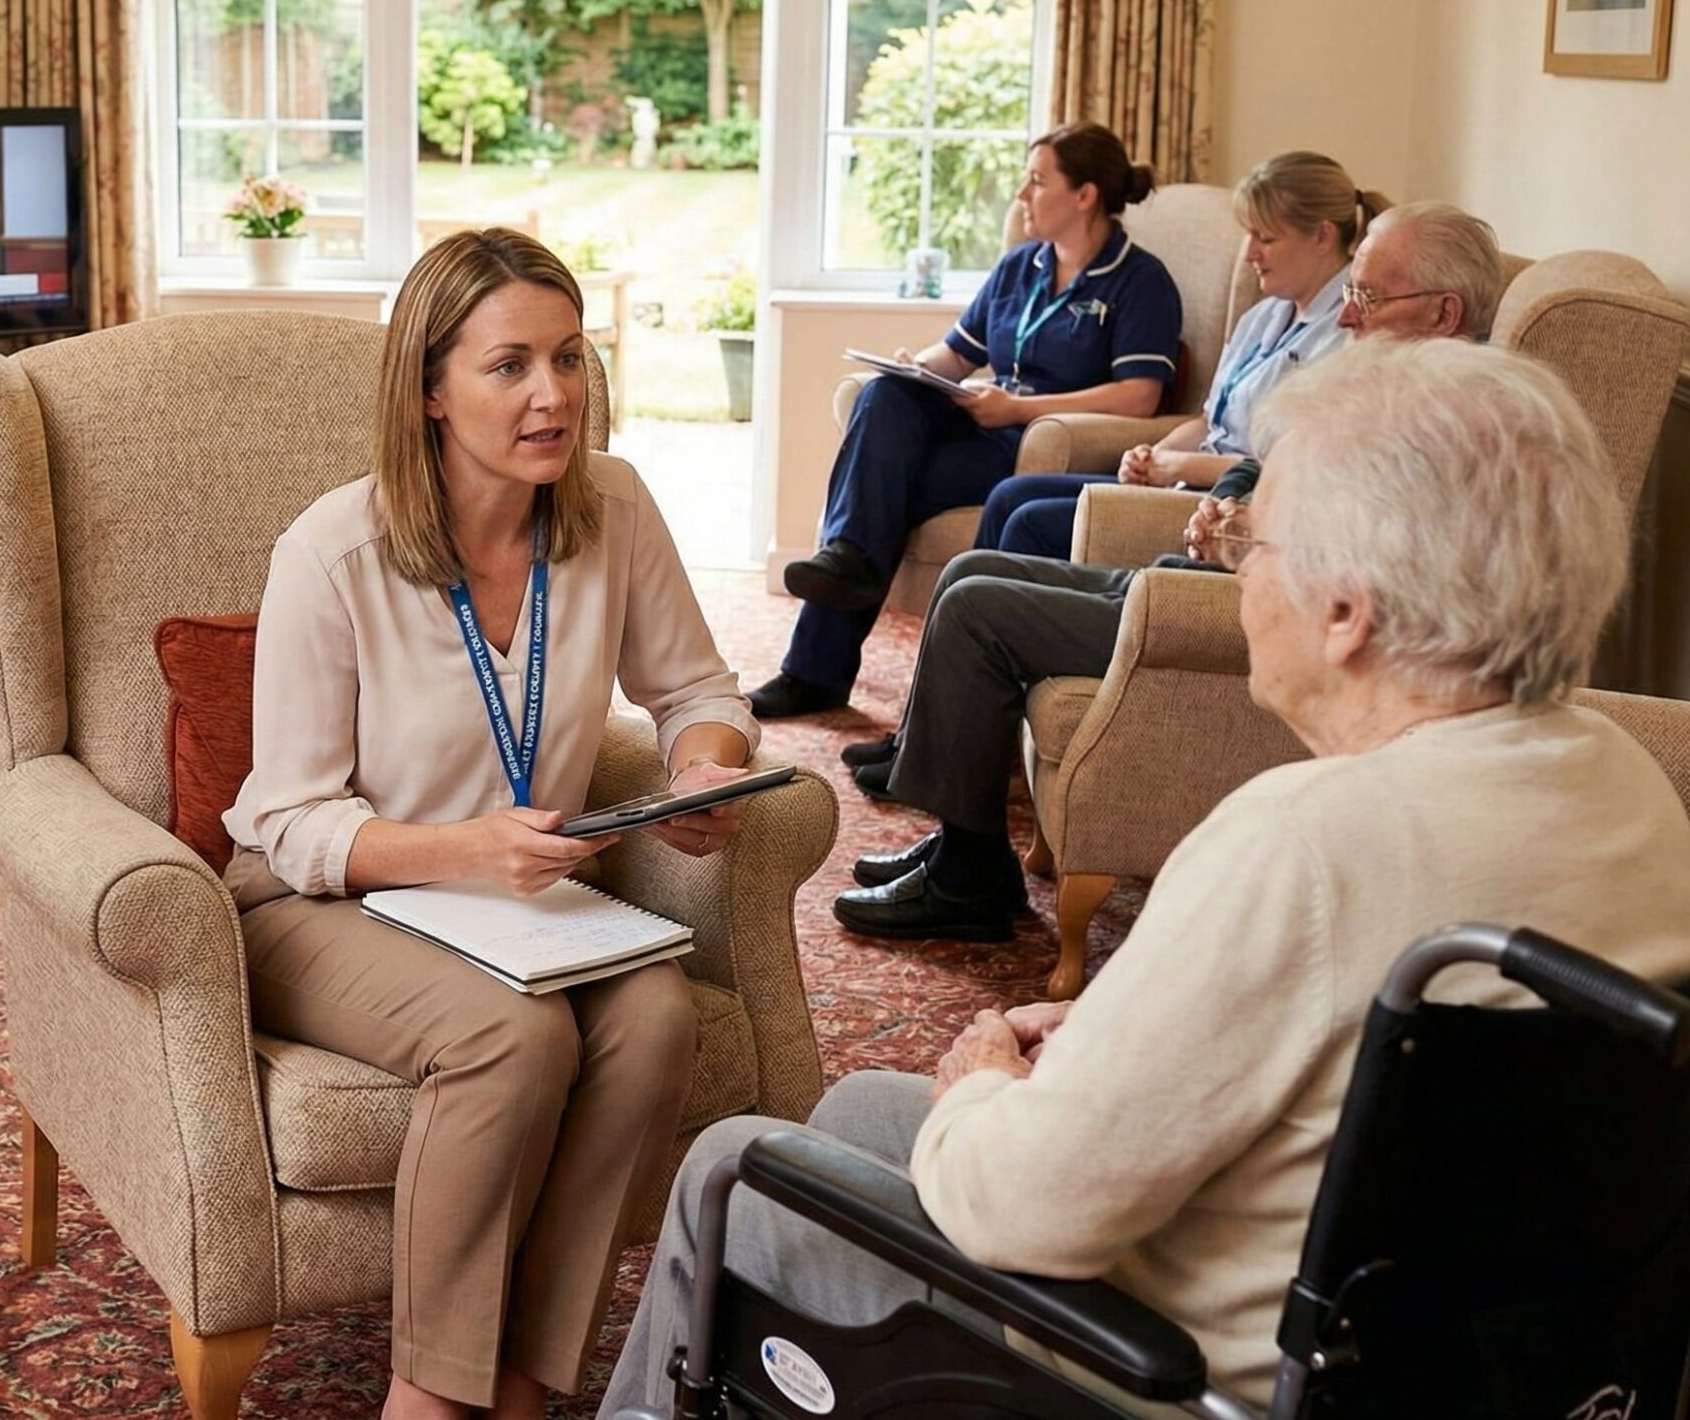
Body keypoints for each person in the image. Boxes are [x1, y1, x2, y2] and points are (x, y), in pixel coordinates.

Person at [603, 337, 1690, 1416]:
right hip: (1475, 1365)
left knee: (737, 1163)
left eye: (1257, 541)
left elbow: (1021, 1208)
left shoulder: (1304, 841)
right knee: (856, 1111)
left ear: (1345, 610)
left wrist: (985, 1071)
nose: (1236, 566)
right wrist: (1119, 1038)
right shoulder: (1634, 793)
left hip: (1168, 1377)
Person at [224, 229, 759, 1420]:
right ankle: (429, 1397)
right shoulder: (333, 551)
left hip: (519, 904)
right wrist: (470, 848)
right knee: (511, 1041)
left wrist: (699, 773)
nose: (553, 396)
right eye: (509, 366)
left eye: (569, 359)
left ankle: (523, 1384)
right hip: (327, 902)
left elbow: (698, 692)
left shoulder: (611, 505)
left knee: (655, 1015)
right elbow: (289, 820)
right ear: (429, 388)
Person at [836, 202, 1503, 940]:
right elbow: (1259, 462)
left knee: (976, 610)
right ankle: (962, 839)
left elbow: (1378, 573)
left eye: (1368, 297)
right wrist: (1224, 508)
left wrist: (1254, 540)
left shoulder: (1448, 426)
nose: (1346, 318)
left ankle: (969, 879)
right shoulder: (1384, 388)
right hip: (1196, 577)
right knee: (972, 569)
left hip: (1215, 612)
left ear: (1445, 312)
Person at [750, 123, 1183, 721]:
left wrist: (1019, 409)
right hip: (981, 424)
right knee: (886, 397)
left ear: (1084, 195)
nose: (1022, 196)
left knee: (883, 495)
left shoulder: (1141, 281)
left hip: (1037, 445)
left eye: (1037, 181)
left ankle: (817, 671)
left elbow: (1140, 396)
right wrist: (916, 367)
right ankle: (845, 559)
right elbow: (955, 354)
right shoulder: (1019, 267)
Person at [972, 152, 1382, 561]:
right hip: (1188, 480)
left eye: (1266, 238)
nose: (1250, 253)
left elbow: (1288, 471)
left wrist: (1178, 467)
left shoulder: (1348, 336)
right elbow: (1208, 420)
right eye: (1249, 235)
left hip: (1230, 506)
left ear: (1322, 236)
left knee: (1031, 522)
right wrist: (1153, 454)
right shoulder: (1263, 315)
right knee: (1009, 495)